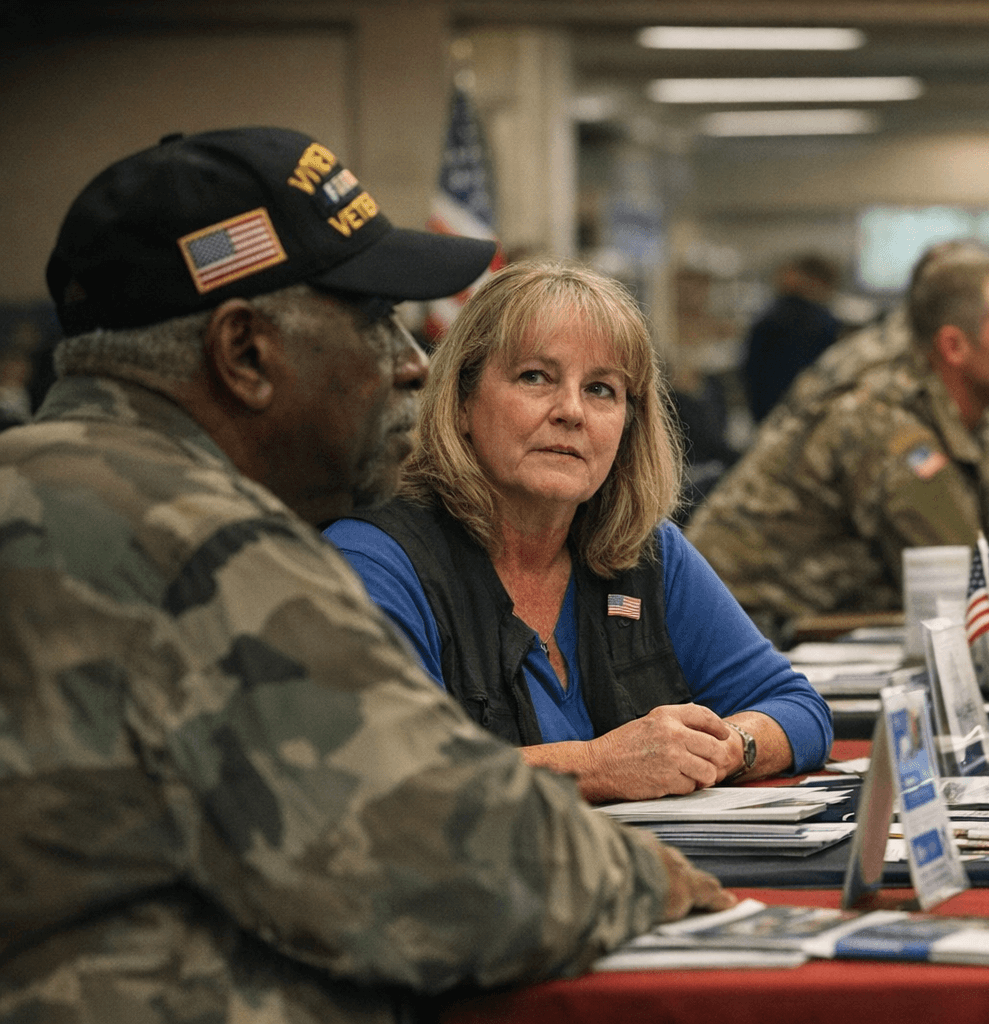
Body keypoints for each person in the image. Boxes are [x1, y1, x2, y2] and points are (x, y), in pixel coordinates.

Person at [0, 128, 734, 1024]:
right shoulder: (201, 546)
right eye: (371, 320)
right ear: (246, 354)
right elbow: (443, 865)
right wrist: (656, 881)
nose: (409, 362)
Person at [324, 259, 832, 803]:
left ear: (629, 425)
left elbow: (798, 709)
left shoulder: (646, 552)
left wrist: (730, 746)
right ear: (463, 401)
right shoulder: (374, 560)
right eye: (535, 377)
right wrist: (594, 767)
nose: (571, 411)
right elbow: (389, 773)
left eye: (601, 389)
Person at [687, 242, 989, 640]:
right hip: (749, 631)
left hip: (831, 624)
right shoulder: (886, 420)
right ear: (953, 346)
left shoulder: (977, 421)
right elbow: (962, 588)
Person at [742, 252, 842, 422]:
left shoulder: (771, 316)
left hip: (770, 412)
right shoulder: (821, 321)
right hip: (809, 414)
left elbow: (750, 370)